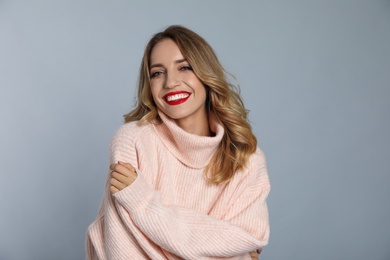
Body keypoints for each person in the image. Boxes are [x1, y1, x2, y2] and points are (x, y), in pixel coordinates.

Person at [86, 25, 270, 260]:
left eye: (184, 67)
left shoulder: (247, 159)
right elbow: (121, 249)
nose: (170, 82)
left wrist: (142, 203)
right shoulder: (132, 141)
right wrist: (231, 253)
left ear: (206, 75)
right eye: (157, 73)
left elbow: (248, 238)